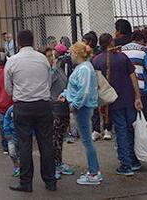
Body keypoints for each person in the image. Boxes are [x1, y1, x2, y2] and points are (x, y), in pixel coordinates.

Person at [5, 30, 56, 193]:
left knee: (24, 144)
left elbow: (8, 88)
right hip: (42, 105)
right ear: (33, 41)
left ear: (18, 42)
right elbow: (48, 82)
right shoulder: (42, 59)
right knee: (46, 143)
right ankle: (50, 181)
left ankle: (26, 182)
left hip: (23, 106)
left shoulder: (12, 61)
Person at [93, 33, 143, 176]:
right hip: (128, 98)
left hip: (112, 101)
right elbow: (133, 77)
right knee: (130, 129)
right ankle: (134, 160)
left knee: (120, 130)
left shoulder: (97, 60)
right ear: (111, 41)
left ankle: (126, 163)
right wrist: (137, 96)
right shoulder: (122, 57)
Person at [61, 41, 101, 186]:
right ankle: (94, 171)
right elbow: (76, 88)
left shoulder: (84, 68)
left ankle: (94, 173)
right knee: (86, 140)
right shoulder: (83, 67)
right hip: (82, 106)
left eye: (72, 52)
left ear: (77, 54)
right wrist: (65, 94)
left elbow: (84, 90)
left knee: (87, 141)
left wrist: (74, 105)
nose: (70, 55)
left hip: (82, 108)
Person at [121, 29, 147, 160]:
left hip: (126, 89)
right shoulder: (144, 50)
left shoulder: (122, 49)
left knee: (130, 119)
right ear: (141, 40)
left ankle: (132, 148)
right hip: (142, 89)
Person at [45, 47, 73, 179]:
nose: (52, 58)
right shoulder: (46, 72)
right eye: (48, 56)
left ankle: (59, 162)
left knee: (60, 138)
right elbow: (46, 87)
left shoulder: (58, 69)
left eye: (52, 55)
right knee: (54, 138)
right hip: (53, 108)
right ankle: (53, 166)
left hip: (63, 107)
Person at [83, 31, 111, 141]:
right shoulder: (85, 53)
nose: (83, 43)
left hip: (101, 81)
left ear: (90, 42)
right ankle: (96, 130)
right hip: (91, 82)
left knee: (104, 105)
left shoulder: (98, 53)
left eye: (84, 41)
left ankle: (107, 128)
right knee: (93, 106)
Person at [2, 105, 21, 177]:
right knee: (12, 153)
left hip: (22, 136)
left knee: (22, 154)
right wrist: (7, 131)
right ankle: (16, 166)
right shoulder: (11, 109)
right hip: (11, 136)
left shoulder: (25, 108)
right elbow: (6, 119)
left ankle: (21, 167)